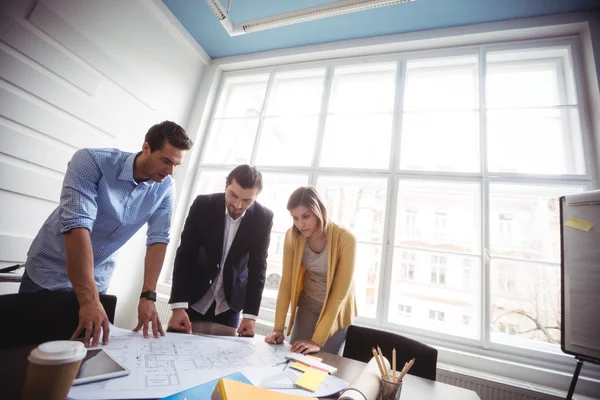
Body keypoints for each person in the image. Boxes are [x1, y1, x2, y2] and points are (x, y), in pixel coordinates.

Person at [19, 120, 193, 347]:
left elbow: (158, 239)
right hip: (48, 271)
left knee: (81, 352)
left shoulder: (166, 187)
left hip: (98, 278)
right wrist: (89, 300)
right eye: (166, 161)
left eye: (176, 165)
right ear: (146, 148)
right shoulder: (92, 161)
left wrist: (148, 296)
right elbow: (77, 226)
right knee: (25, 349)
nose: (170, 171)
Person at [168, 165, 274, 337]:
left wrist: (250, 316)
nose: (238, 205)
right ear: (226, 184)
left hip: (229, 305)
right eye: (233, 195)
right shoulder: (203, 205)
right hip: (193, 299)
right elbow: (185, 255)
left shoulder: (263, 218)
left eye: (247, 200)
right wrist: (178, 306)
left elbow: (258, 268)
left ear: (256, 197)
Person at [265, 186, 357, 355]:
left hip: (336, 309)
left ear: (319, 211)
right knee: (294, 356)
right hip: (308, 303)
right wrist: (278, 328)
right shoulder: (292, 236)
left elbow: (339, 294)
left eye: (306, 216)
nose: (300, 224)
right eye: (295, 218)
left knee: (322, 362)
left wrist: (317, 341)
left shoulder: (346, 239)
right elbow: (286, 282)